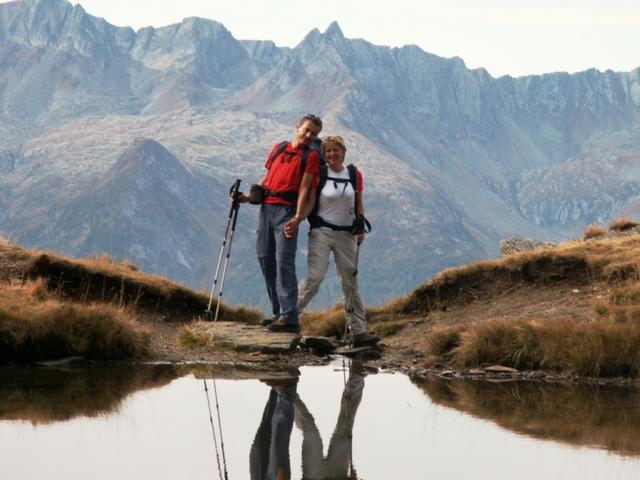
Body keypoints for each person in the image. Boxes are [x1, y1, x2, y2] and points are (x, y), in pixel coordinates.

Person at [240, 114, 323, 334]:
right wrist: (248, 197)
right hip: (266, 209)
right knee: (264, 257)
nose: (308, 135)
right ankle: (278, 313)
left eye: (313, 133)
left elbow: (305, 190)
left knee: (283, 262)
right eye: (306, 130)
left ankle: (289, 317)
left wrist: (297, 218)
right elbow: (267, 178)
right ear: (297, 127)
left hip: (287, 213)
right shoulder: (279, 148)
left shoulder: (311, 156)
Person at [297, 136, 379, 347]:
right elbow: (310, 198)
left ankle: (359, 331)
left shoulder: (354, 174)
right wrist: (298, 218)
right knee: (315, 278)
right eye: (328, 151)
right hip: (321, 231)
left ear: (343, 151)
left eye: (336, 150)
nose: (332, 154)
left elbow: (359, 202)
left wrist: (360, 225)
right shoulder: (321, 173)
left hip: (347, 234)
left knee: (350, 283)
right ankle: (288, 316)